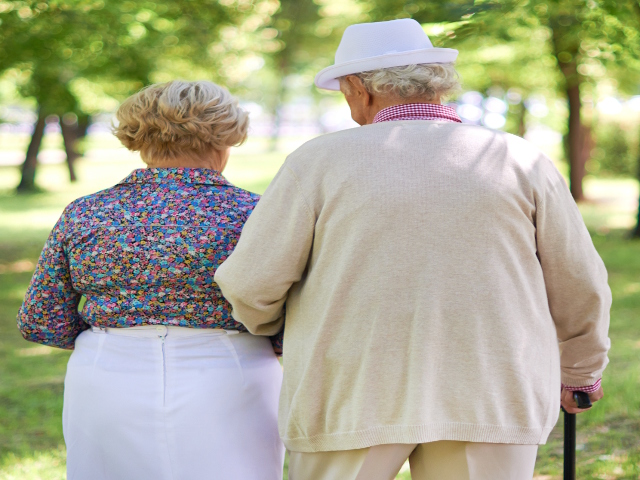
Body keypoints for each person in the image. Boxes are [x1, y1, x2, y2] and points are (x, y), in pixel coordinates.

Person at [214, 18, 611, 480]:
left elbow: (250, 282)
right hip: (489, 390)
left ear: (361, 89)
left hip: (350, 390)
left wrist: (276, 330)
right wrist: (581, 372)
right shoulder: (519, 160)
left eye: (344, 92)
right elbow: (578, 280)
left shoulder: (317, 161)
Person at [17, 80, 285, 480]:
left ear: (138, 140)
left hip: (106, 372)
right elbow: (294, 315)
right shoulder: (257, 214)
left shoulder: (86, 213)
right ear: (226, 138)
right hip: (232, 373)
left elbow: (43, 319)